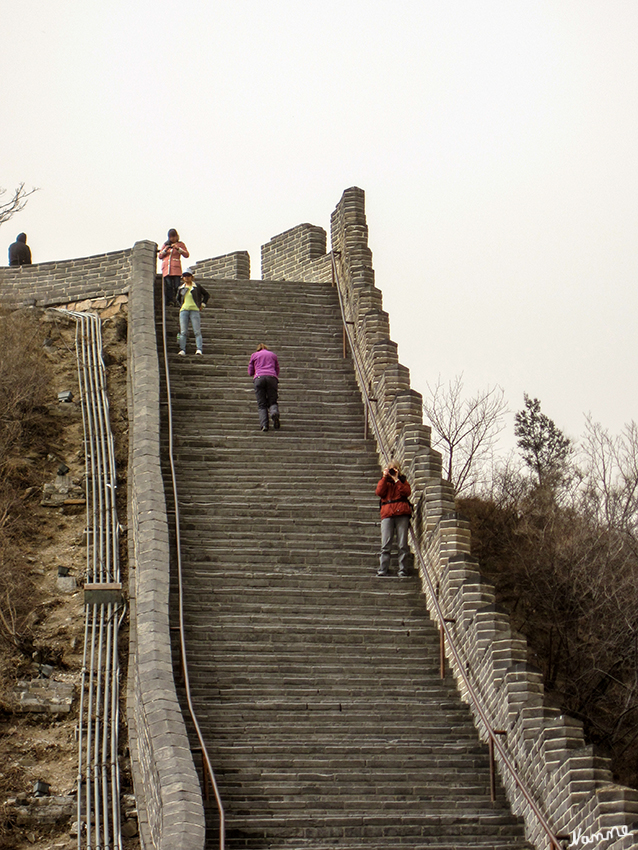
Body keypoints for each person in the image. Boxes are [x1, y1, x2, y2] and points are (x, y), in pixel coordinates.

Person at [375, 462, 412, 577]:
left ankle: (402, 569)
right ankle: (383, 568)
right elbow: (379, 492)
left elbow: (406, 492)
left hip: (402, 514)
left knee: (402, 544)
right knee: (386, 544)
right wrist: (384, 477)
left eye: (394, 469)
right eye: (390, 469)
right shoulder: (385, 482)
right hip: (387, 514)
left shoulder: (402, 481)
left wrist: (397, 480)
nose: (392, 472)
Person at [248, 344, 280, 432]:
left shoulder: (254, 355)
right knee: (272, 400)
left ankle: (264, 425)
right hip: (272, 378)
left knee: (261, 404)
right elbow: (277, 369)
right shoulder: (273, 355)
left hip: (259, 378)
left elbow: (250, 371)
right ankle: (274, 412)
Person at [176, 270, 209, 356]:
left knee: (197, 331)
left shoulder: (196, 286)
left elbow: (206, 295)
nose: (186, 277)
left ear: (192, 276)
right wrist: (181, 306)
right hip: (184, 310)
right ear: (183, 278)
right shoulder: (181, 288)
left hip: (194, 310)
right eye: (185, 276)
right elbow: (177, 299)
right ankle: (182, 349)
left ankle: (199, 349)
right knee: (183, 331)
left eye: (188, 275)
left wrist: (202, 304)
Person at [158, 228, 189, 306]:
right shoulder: (165, 244)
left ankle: (178, 300)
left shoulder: (180, 244)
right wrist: (166, 249)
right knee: (168, 286)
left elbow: (186, 254)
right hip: (166, 268)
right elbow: (160, 256)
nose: (172, 238)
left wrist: (178, 249)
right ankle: (170, 301)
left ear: (177, 236)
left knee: (176, 286)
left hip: (176, 268)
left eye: (174, 236)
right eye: (171, 237)